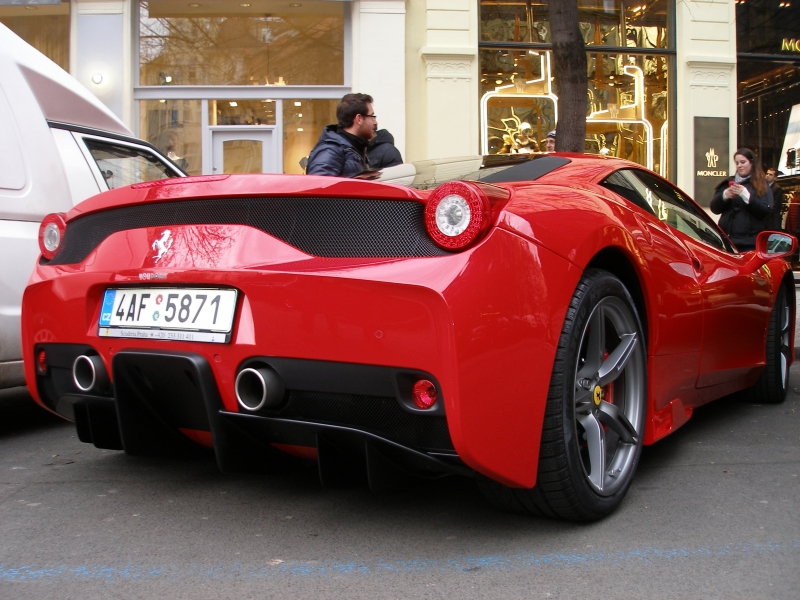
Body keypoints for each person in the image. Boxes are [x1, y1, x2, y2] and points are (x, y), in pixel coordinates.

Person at [710, 148, 773, 252]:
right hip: (727, 241)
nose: (739, 165)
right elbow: (714, 208)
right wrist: (724, 196)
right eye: (737, 163)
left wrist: (747, 197)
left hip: (750, 243)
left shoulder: (761, 184)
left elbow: (765, 211)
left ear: (751, 163)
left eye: (743, 162)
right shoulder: (727, 183)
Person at [306, 93, 377, 177]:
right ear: (359, 119)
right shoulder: (331, 151)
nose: (375, 122)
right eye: (372, 117)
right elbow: (319, 187)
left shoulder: (354, 149)